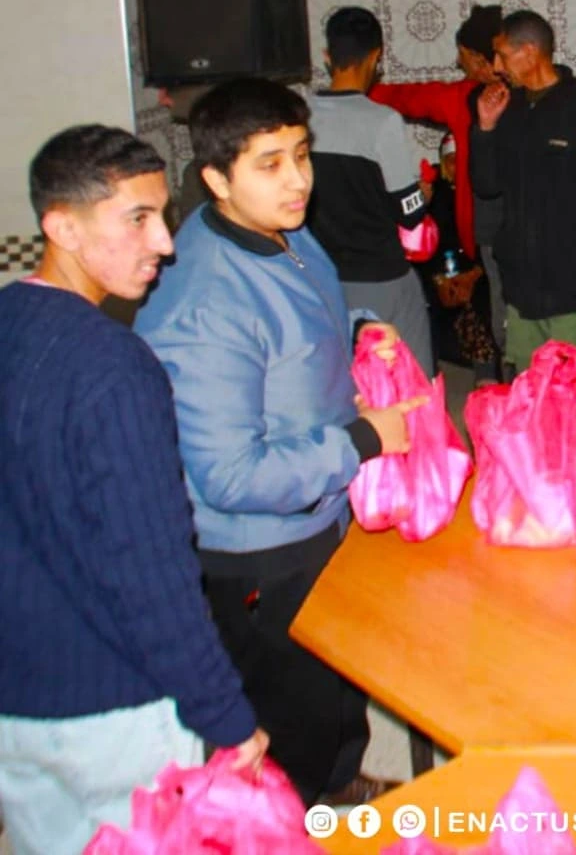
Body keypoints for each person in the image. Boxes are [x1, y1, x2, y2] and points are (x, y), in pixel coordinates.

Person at [134, 78, 424, 806]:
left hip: (318, 510)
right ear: (216, 179)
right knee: (289, 703)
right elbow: (231, 476)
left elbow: (306, 319)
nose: (297, 180)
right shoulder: (206, 302)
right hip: (261, 543)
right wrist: (362, 440)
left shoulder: (284, 233)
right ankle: (296, 812)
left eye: (301, 154)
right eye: (269, 164)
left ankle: (340, 777)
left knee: (335, 676)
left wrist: (359, 327)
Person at [0, 125, 267, 855]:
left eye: (164, 216)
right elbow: (154, 574)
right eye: (137, 219)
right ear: (62, 227)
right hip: (112, 710)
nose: (166, 243)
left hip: (16, 706)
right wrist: (226, 717)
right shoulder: (113, 367)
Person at [471, 9, 576, 371]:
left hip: (574, 290)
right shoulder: (511, 109)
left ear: (530, 52)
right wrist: (485, 128)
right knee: (529, 389)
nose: (496, 67)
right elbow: (487, 185)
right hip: (521, 286)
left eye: (502, 55)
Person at [369, 4, 508, 363]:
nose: (458, 63)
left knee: (505, 321)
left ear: (479, 59)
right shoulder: (527, 94)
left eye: (462, 55)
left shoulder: (465, 99)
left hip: (499, 234)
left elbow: (408, 98)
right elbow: (410, 97)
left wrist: (356, 89)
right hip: (516, 235)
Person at [306, 6, 435, 375]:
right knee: (408, 382)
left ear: (327, 56)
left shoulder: (301, 115)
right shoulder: (382, 121)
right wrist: (424, 191)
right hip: (382, 278)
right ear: (376, 56)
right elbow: (409, 211)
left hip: (321, 277)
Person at [416, 133, 499, 385]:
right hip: (437, 273)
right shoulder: (433, 194)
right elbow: (421, 244)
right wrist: (440, 280)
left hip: (475, 272)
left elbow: (492, 244)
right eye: (451, 161)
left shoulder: (482, 192)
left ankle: (486, 380)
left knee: (482, 304)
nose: (456, 168)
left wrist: (471, 276)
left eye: (461, 161)